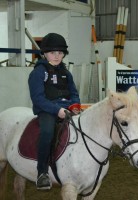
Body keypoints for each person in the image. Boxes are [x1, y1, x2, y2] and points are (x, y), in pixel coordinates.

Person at [28, 33, 81, 190]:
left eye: (60, 52)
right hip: (47, 110)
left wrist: (75, 105)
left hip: (66, 109)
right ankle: (42, 173)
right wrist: (57, 110)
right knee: (47, 133)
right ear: (44, 53)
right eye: (52, 52)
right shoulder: (38, 73)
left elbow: (74, 93)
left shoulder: (66, 73)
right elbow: (38, 98)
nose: (57, 56)